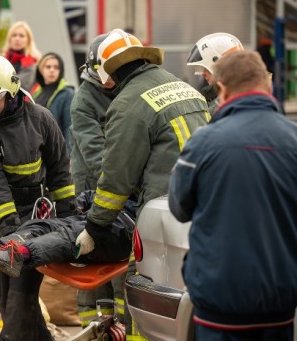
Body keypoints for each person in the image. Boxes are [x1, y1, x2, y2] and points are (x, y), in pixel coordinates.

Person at [74, 28, 210, 339]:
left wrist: (94, 227)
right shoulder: (183, 87)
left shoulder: (128, 103)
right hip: (206, 205)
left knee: (144, 286)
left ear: (109, 70)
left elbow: (115, 179)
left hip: (163, 213)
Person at [168, 50, 297, 341]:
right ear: (269, 86)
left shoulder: (204, 143)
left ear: (222, 88)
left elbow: (178, 207)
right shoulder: (294, 139)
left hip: (220, 307)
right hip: (281, 306)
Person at [0, 51, 77, 341]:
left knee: (21, 294)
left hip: (36, 214)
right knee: (8, 293)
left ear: (11, 89)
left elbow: (60, 171)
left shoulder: (41, 119)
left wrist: (69, 219)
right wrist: (12, 238)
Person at [69, 34, 125, 326]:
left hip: (119, 182)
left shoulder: (125, 87)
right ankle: (93, 323)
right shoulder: (83, 101)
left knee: (120, 257)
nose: (107, 82)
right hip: (93, 185)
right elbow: (95, 155)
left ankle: (119, 320)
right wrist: (124, 182)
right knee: (96, 251)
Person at [0, 193, 134, 277]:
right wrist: (79, 204)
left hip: (125, 227)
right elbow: (98, 193)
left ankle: (14, 256)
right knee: (44, 226)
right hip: (98, 215)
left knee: (70, 235)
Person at [186, 32, 244, 113]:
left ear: (220, 65)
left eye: (205, 68)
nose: (202, 74)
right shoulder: (251, 89)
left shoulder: (224, 107)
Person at [30, 52, 75, 152]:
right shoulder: (37, 91)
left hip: (56, 150)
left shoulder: (67, 93)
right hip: (37, 149)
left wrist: (67, 156)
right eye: (48, 67)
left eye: (56, 67)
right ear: (41, 70)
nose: (52, 70)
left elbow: (69, 126)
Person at [3, 21, 41, 91]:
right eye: (14, 35)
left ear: (28, 40)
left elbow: (19, 86)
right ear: (9, 39)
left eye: (21, 36)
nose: (17, 39)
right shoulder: (2, 59)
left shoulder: (31, 61)